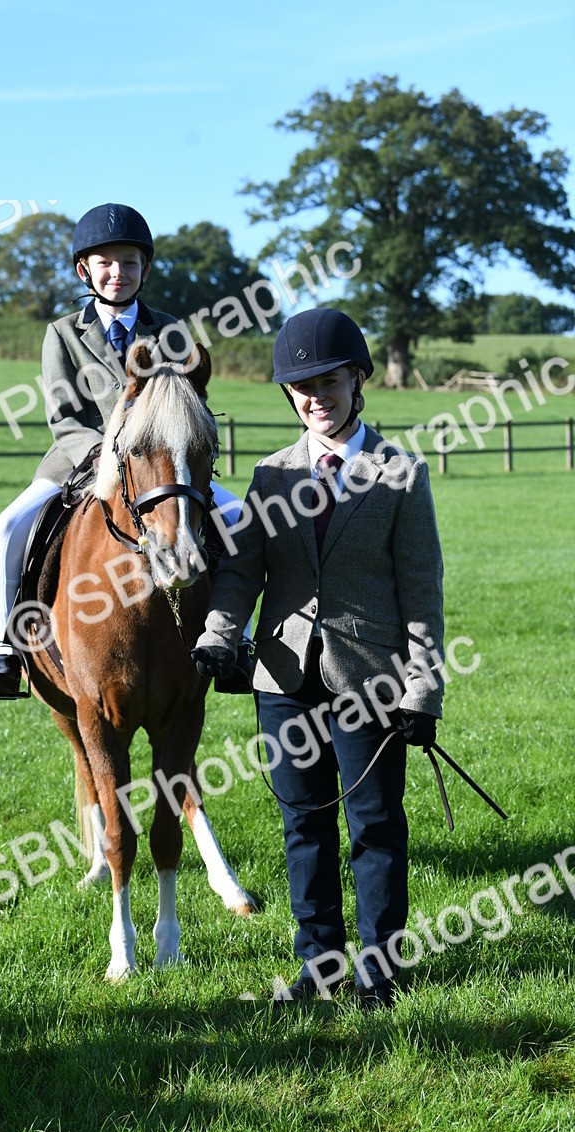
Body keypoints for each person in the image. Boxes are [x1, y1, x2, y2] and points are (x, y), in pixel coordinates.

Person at [191, 307, 445, 1010]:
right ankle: (321, 964)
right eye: (301, 388)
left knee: (374, 826)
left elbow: (421, 590)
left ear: (357, 381)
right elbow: (243, 573)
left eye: (328, 382)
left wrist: (424, 687)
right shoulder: (271, 476)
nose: (315, 398)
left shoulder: (400, 474)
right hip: (284, 674)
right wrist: (219, 631)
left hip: (372, 681)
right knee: (302, 823)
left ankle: (380, 968)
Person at [0, 202, 252, 698]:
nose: (117, 273)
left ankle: (239, 640)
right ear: (86, 269)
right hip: (78, 462)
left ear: (144, 269)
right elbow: (65, 417)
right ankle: (3, 645)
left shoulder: (171, 330)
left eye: (128, 262)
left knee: (240, 517)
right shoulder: (62, 333)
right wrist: (108, 456)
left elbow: (186, 402)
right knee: (8, 525)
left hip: (159, 466)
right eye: (105, 262)